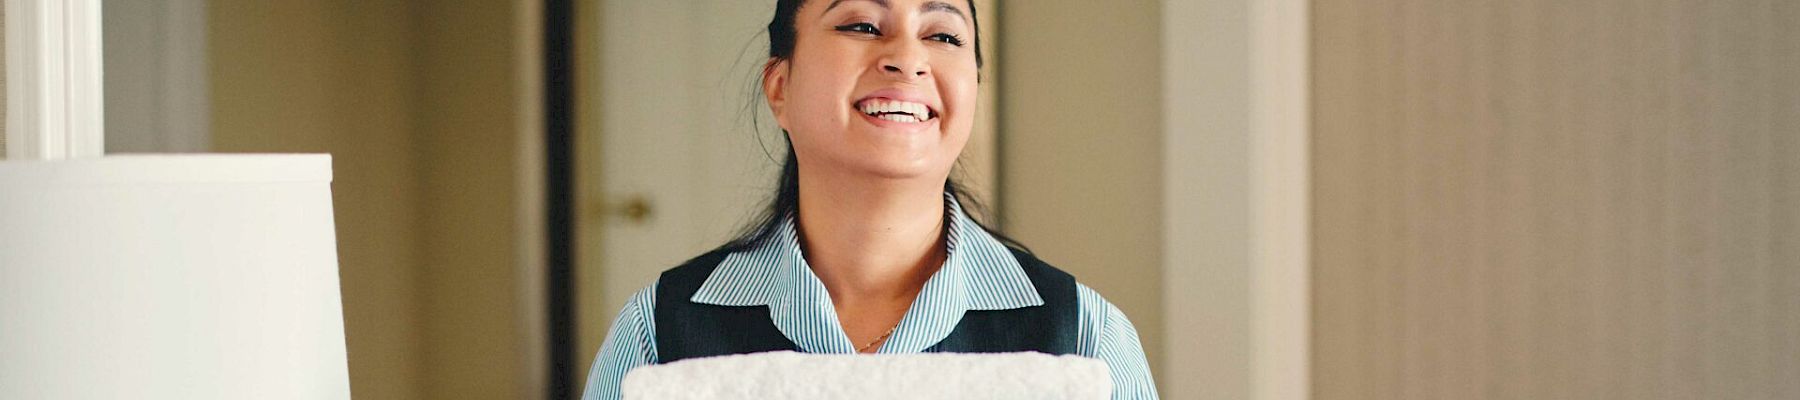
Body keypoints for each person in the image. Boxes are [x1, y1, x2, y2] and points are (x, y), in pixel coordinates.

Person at [581, 0, 1157, 398]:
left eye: (943, 35)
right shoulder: (656, 333)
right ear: (780, 87)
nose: (908, 57)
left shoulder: (1086, 337)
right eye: (861, 24)